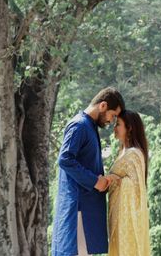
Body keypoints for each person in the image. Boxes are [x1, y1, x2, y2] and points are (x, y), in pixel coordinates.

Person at [52, 87, 126, 256]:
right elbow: (65, 159)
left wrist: (104, 180)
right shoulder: (79, 125)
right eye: (113, 115)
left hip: (85, 210)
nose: (111, 121)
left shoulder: (89, 127)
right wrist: (95, 181)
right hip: (78, 211)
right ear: (103, 106)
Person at [106, 109, 151, 256]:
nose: (114, 128)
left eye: (118, 124)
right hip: (117, 217)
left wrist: (117, 180)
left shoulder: (134, 154)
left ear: (129, 128)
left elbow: (137, 191)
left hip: (128, 221)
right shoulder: (122, 153)